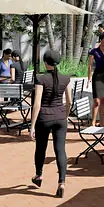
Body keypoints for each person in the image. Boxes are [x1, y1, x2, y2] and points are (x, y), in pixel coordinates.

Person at [29, 50, 72, 198]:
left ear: (45, 62)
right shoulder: (65, 78)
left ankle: (39, 175)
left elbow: (37, 104)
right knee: (60, 150)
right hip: (60, 117)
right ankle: (62, 182)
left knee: (41, 148)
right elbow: (70, 101)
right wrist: (65, 116)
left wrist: (32, 125)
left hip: (44, 118)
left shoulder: (41, 79)